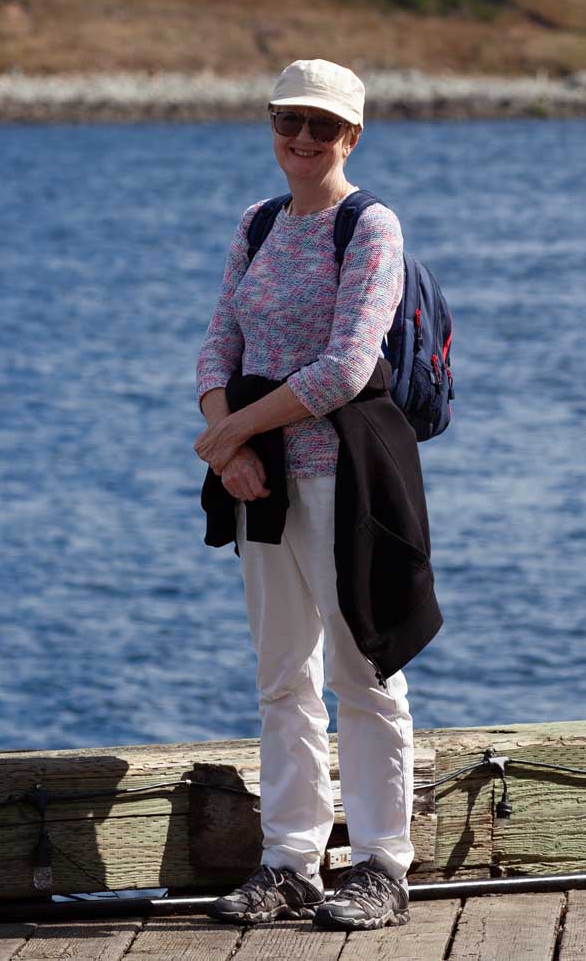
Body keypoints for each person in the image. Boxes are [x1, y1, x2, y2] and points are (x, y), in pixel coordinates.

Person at [192, 59, 440, 933]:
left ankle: (381, 865)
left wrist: (230, 433)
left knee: (365, 671)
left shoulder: (371, 226)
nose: (302, 139)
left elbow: (346, 366)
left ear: (352, 137)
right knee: (280, 675)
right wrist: (232, 450)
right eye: (288, 121)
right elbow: (217, 345)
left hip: (346, 477)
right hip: (259, 477)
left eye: (322, 127)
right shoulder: (257, 223)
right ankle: (291, 861)